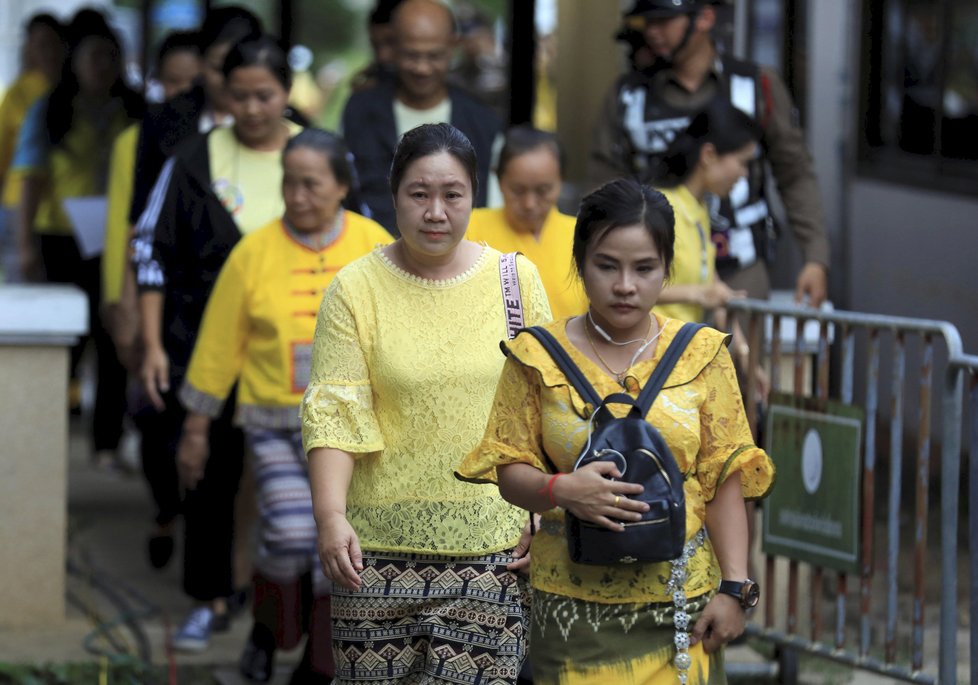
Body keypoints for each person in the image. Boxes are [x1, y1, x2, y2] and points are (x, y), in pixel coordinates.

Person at [458, 177, 775, 684]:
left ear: (667, 269)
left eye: (644, 268)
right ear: (581, 263)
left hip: (681, 608)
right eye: (607, 266)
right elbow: (509, 470)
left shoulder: (703, 353)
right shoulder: (536, 357)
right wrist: (561, 489)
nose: (625, 285)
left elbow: (724, 480)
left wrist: (735, 588)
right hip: (570, 611)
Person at [301, 123, 551, 683]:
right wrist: (330, 517)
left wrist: (546, 518)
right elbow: (335, 413)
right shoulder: (354, 288)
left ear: (473, 197)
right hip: (373, 558)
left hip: (496, 550)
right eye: (419, 194)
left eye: (452, 195)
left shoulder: (516, 281)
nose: (435, 211)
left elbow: (544, 411)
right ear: (394, 197)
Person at [178, 129, 391, 683]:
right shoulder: (254, 252)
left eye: (311, 184)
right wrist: (197, 427)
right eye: (288, 184)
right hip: (275, 423)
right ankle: (269, 631)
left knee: (339, 547)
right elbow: (220, 344)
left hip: (351, 430)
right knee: (292, 537)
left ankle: (316, 667)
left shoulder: (374, 246)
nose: (297, 196)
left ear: (342, 186)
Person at [132, 34, 303, 653]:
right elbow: (150, 250)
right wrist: (151, 345)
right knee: (208, 472)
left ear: (287, 93)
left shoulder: (313, 153)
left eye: (266, 95)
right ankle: (209, 598)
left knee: (293, 488)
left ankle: (283, 616)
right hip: (204, 343)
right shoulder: (195, 157)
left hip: (297, 347)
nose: (252, 109)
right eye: (240, 96)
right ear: (221, 92)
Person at [589, 0, 830, 307]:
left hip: (740, 266)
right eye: (647, 22)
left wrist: (815, 257)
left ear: (705, 17)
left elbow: (794, 173)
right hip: (656, 273)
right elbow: (603, 185)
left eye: (663, 20)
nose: (652, 31)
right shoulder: (628, 95)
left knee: (737, 353)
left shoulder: (756, 86)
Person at [12, 9, 144, 466]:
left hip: (118, 240)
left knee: (114, 338)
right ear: (75, 61)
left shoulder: (136, 108)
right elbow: (28, 178)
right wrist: (25, 244)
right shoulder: (50, 108)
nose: (102, 66)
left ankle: (106, 444)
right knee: (61, 340)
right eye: (92, 57)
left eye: (111, 56)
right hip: (61, 237)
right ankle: (44, 440)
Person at [100, 29, 203, 571]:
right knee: (153, 412)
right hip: (151, 295)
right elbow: (131, 227)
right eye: (176, 81)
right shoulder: (149, 135)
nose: (187, 90)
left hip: (201, 302)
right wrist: (123, 306)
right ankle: (165, 511)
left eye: (196, 80)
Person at [341, 0, 502, 233]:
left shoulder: (482, 121)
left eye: (434, 56)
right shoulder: (359, 111)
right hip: (374, 254)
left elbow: (494, 211)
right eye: (411, 55)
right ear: (393, 48)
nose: (422, 68)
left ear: (453, 47)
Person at [128, 6, 262, 229]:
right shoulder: (164, 121)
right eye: (219, 68)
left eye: (239, 66)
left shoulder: (289, 126)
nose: (229, 79)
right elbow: (141, 213)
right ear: (200, 63)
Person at [467, 125, 587, 319]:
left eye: (543, 190)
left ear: (561, 181)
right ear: (499, 180)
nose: (529, 204)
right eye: (518, 190)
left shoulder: (585, 235)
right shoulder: (469, 228)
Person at [0, 13, 64, 280]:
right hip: (19, 204)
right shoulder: (19, 93)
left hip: (60, 214)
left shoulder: (70, 91)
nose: (47, 51)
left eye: (52, 43)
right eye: (39, 44)